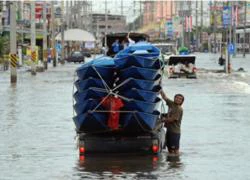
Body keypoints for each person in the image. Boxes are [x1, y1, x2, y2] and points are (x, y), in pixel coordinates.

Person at [160, 90, 184, 155]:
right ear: (174, 98)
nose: (178, 99)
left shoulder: (179, 109)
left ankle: (176, 163)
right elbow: (164, 97)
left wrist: (162, 120)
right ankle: (171, 163)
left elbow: (172, 119)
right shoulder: (172, 104)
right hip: (169, 130)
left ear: (182, 101)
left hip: (175, 132)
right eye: (176, 97)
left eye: (180, 99)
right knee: (170, 149)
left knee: (175, 150)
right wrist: (160, 89)